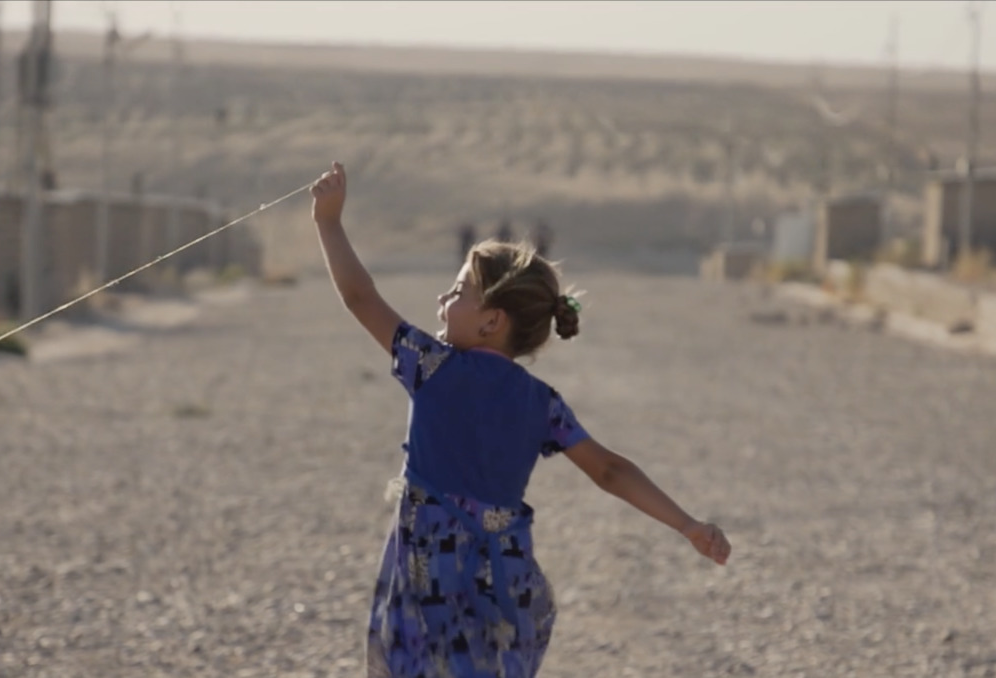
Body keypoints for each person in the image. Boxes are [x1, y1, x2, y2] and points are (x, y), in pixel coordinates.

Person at [309, 162, 731, 678]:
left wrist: (328, 223)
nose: (443, 299)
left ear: (492, 321)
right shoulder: (543, 403)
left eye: (459, 290)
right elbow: (610, 471)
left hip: (428, 582)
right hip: (502, 584)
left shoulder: (432, 367)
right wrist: (686, 525)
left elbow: (359, 297)